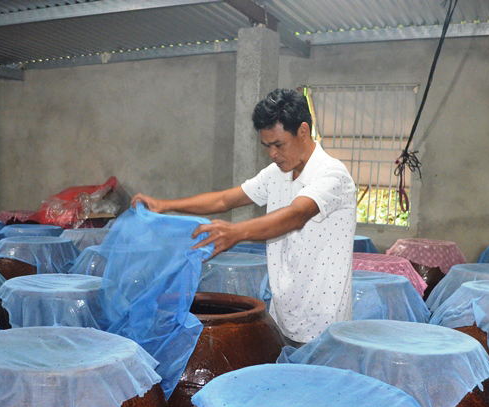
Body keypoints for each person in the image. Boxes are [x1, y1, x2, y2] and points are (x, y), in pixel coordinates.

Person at [132, 88, 356, 345]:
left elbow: (297, 214)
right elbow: (224, 200)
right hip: (283, 316)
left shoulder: (331, 174)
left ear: (303, 131)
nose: (272, 154)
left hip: (324, 323)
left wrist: (236, 232)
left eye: (278, 144)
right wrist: (165, 204)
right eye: (266, 146)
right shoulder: (277, 174)